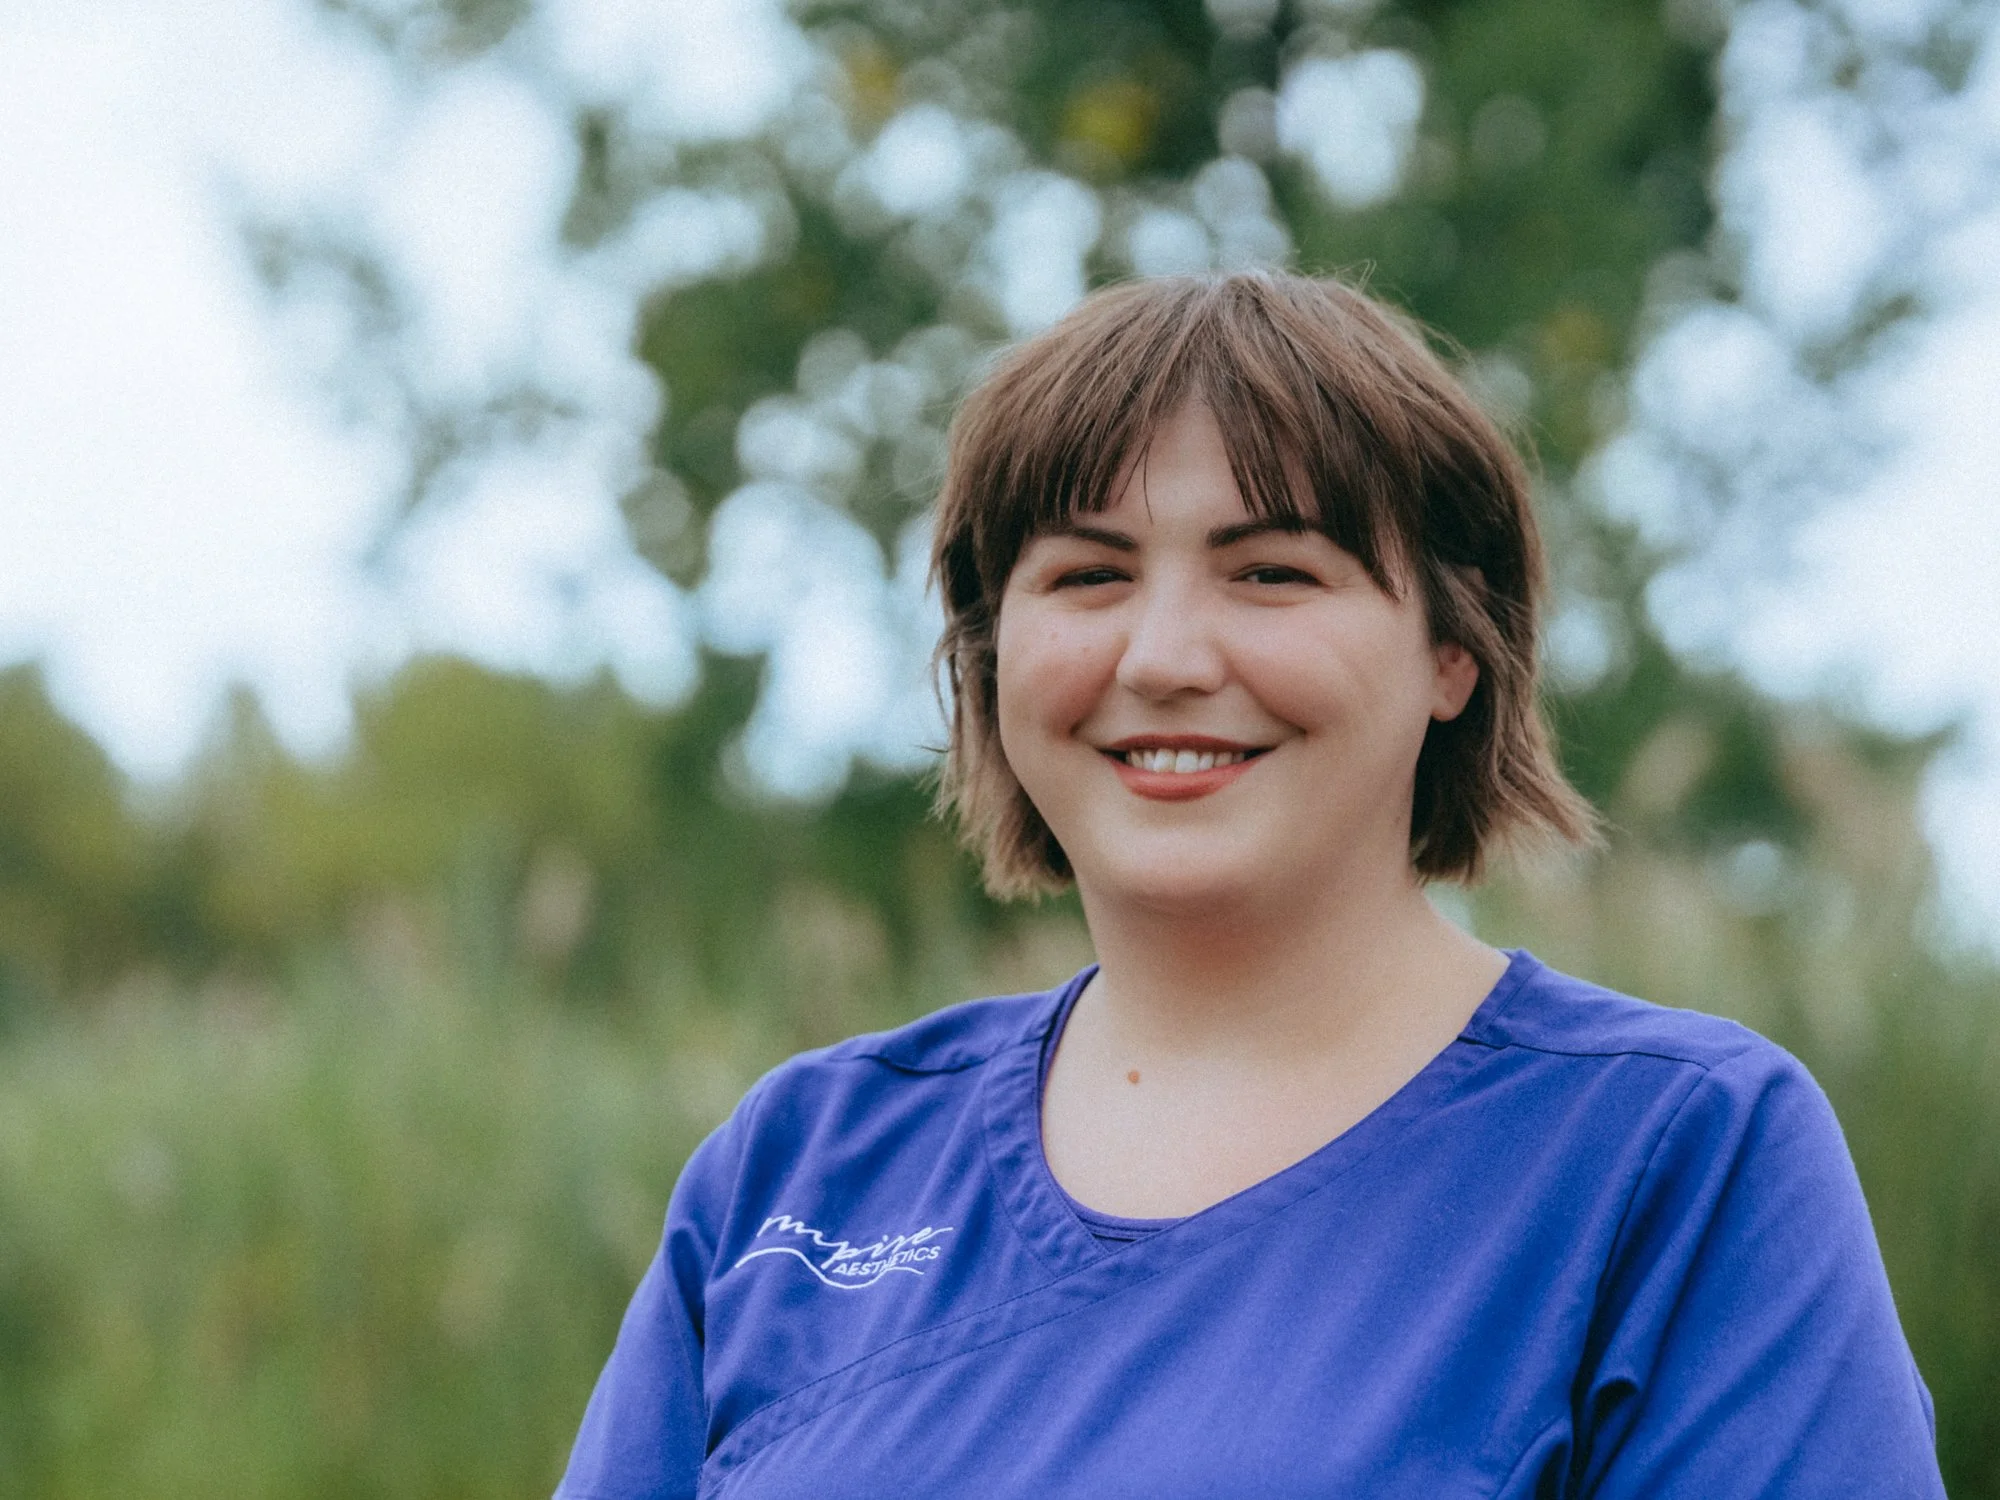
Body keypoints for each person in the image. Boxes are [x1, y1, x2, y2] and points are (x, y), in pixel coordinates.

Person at [554, 272, 1944, 1498]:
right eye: (1088, 577)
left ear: (1455, 652)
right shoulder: (794, 1169)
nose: (1163, 654)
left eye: (1273, 572)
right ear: (990, 655)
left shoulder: (1676, 1154)